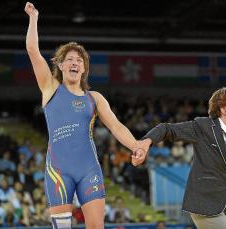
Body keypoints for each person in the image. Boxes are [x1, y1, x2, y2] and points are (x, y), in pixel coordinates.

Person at [24, 2, 142, 228]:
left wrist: (135, 146)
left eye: (79, 60)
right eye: (69, 59)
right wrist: (33, 18)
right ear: (60, 65)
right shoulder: (50, 88)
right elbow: (32, 50)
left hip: (89, 170)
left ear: (84, 68)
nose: (74, 62)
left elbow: (116, 127)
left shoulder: (95, 98)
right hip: (58, 171)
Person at [133, 87, 226, 229]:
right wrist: (146, 142)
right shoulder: (204, 127)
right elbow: (167, 129)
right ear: (224, 109)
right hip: (205, 202)